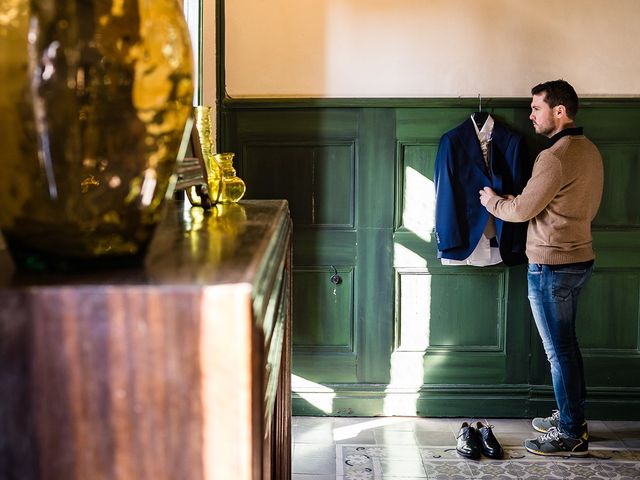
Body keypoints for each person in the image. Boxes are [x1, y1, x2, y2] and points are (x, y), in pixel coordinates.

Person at [479, 79, 604, 456]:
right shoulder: (588, 150)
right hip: (579, 259)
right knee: (567, 347)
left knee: (559, 352)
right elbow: (558, 202)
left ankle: (570, 433)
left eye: (536, 108)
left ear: (559, 111)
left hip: (552, 266)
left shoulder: (555, 156)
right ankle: (571, 417)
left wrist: (492, 201)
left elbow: (521, 212)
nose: (530, 115)